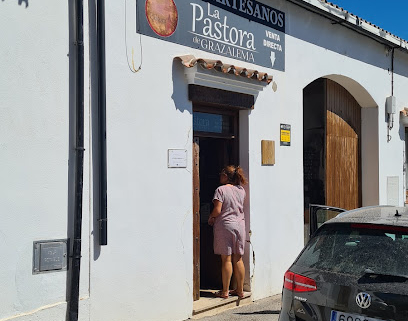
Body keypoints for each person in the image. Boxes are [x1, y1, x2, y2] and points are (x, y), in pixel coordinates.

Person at [208, 165, 248, 299]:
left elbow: (218, 209)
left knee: (226, 259)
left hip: (225, 225)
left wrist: (211, 217)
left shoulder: (221, 190)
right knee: (238, 258)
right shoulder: (241, 190)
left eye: (221, 174)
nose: (219, 176)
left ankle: (225, 291)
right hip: (240, 225)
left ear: (225, 176)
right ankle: (240, 290)